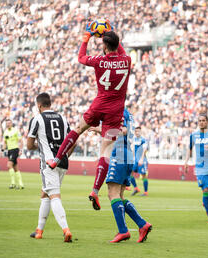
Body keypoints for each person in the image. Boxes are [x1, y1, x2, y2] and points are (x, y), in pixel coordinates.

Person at [46, 24, 131, 213]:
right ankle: (94, 190)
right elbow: (119, 49)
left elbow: (81, 57)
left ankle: (56, 159)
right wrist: (111, 32)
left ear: (104, 46)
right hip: (116, 110)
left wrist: (86, 39)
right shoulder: (127, 60)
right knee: (106, 151)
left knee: (77, 130)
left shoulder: (99, 61)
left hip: (100, 103)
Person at [26, 93, 74, 242]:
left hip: (48, 163)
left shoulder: (37, 119)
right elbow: (74, 142)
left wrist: (40, 146)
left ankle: (66, 230)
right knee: (45, 194)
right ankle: (39, 230)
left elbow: (29, 145)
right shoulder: (63, 119)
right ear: (50, 104)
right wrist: (64, 156)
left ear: (39, 105)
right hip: (63, 162)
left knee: (54, 196)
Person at [105, 108, 152, 243]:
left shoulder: (119, 110)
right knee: (120, 196)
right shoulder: (128, 114)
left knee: (112, 194)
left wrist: (104, 132)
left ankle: (123, 231)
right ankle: (142, 224)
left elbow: (123, 131)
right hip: (128, 155)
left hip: (120, 154)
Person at [184, 114, 208, 224]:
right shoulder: (194, 135)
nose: (201, 122)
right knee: (205, 190)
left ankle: (206, 202)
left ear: (207, 122)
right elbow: (189, 149)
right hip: (200, 167)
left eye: (203, 120)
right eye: (199, 120)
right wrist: (186, 162)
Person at [3, 119, 24, 189]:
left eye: (9, 123)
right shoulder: (5, 132)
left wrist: (20, 150)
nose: (8, 124)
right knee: (15, 168)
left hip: (15, 150)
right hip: (9, 151)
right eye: (7, 123)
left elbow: (21, 141)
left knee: (9, 165)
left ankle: (13, 183)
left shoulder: (15, 130)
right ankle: (21, 185)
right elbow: (5, 142)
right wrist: (3, 149)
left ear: (11, 124)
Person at [130, 126, 149, 196]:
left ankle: (145, 192)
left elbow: (144, 150)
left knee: (143, 175)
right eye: (136, 131)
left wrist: (141, 159)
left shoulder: (143, 139)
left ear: (141, 132)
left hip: (142, 159)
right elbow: (132, 149)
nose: (137, 132)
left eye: (138, 131)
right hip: (135, 159)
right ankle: (136, 188)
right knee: (130, 173)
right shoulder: (134, 139)